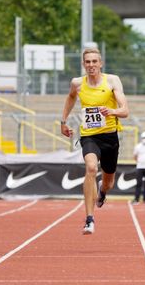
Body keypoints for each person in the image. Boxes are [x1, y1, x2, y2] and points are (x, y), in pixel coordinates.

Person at [60, 47, 129, 234]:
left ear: (100, 63)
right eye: (87, 62)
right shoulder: (77, 83)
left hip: (110, 136)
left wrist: (113, 111)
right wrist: (63, 121)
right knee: (91, 168)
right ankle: (89, 219)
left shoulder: (112, 81)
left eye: (94, 62)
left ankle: (103, 192)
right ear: (83, 64)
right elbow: (70, 98)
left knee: (109, 183)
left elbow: (125, 110)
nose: (91, 65)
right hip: (89, 135)